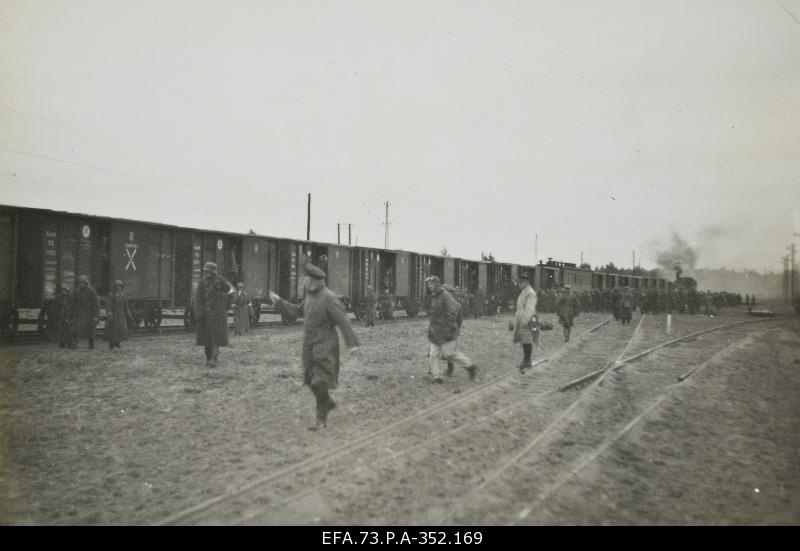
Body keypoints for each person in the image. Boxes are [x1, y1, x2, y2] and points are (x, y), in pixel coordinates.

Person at [269, 263, 359, 431]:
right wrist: (280, 302)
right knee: (310, 379)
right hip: (309, 344)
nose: (304, 281)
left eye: (307, 279)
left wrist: (352, 344)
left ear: (315, 281)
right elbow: (297, 311)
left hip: (325, 343)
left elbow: (343, 321)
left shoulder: (329, 297)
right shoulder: (310, 297)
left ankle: (321, 420)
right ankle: (328, 403)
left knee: (320, 381)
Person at [425, 276, 477, 384]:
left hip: (445, 331)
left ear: (437, 284)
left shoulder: (445, 295)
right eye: (428, 284)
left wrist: (449, 327)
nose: (429, 286)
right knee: (433, 353)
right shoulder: (434, 296)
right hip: (436, 331)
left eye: (431, 284)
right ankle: (437, 377)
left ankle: (470, 367)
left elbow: (453, 311)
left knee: (449, 354)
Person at [193, 262, 233, 367]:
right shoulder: (202, 282)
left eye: (208, 271)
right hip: (206, 314)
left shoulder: (221, 281)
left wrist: (226, 306)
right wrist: (198, 312)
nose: (206, 273)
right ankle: (208, 358)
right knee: (206, 338)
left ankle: (213, 359)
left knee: (216, 338)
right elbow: (197, 298)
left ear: (213, 272)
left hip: (218, 314)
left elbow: (231, 292)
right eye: (206, 271)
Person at [508, 273, 538, 372]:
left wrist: (524, 321)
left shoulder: (530, 293)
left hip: (528, 319)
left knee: (526, 340)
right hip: (523, 318)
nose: (518, 284)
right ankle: (526, 360)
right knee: (524, 340)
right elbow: (519, 309)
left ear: (526, 282)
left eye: (520, 282)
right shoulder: (524, 292)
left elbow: (529, 309)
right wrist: (515, 321)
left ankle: (527, 361)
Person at [71, 275, 100, 349]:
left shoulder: (91, 291)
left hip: (89, 313)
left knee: (91, 329)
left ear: (86, 283)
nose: (81, 284)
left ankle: (91, 344)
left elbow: (96, 304)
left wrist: (96, 316)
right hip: (79, 312)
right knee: (76, 328)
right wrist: (72, 313)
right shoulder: (76, 291)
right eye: (80, 282)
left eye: (83, 282)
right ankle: (75, 343)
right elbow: (73, 303)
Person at [105, 280, 131, 349]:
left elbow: (126, 305)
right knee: (113, 329)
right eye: (117, 286)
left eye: (120, 286)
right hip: (114, 314)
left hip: (121, 314)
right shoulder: (111, 294)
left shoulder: (123, 295)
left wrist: (128, 312)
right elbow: (108, 304)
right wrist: (109, 312)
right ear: (115, 287)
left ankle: (117, 342)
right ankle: (111, 344)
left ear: (121, 287)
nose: (118, 287)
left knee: (120, 329)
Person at [55, 284, 74, 349]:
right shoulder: (59, 298)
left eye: (65, 290)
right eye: (63, 290)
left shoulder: (70, 298)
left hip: (68, 316)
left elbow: (71, 307)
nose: (64, 292)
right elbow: (56, 307)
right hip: (61, 316)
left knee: (69, 331)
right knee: (61, 331)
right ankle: (62, 344)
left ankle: (70, 344)